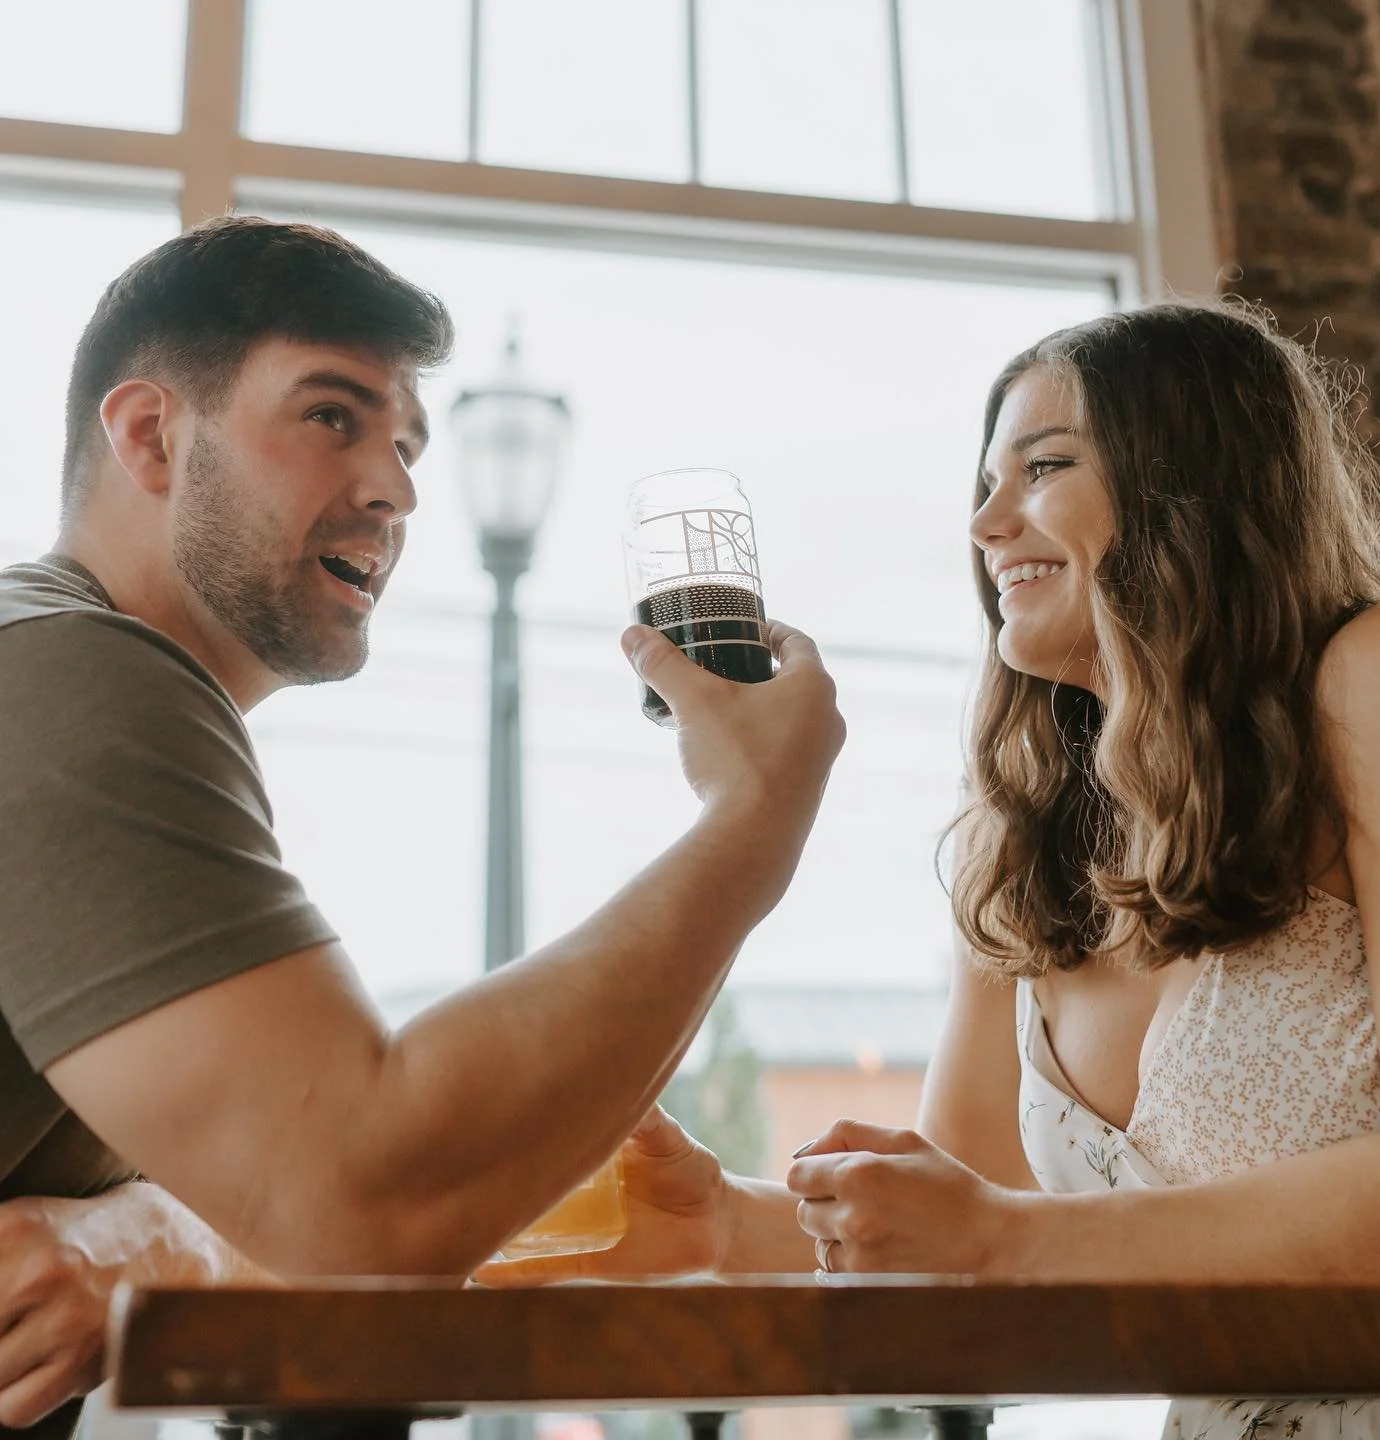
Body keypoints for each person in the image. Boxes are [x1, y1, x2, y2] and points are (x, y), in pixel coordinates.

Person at [481, 301, 1380, 1439]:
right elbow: (960, 1214)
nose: (987, 524)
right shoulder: (1024, 827)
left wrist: (1001, 1237)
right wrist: (724, 1226)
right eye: (986, 484)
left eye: (1042, 468)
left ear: (1195, 481)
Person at [0, 214, 846, 1434]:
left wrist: (152, 1228)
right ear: (149, 435)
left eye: (406, 445)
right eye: (332, 417)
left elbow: (283, 1187)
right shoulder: (71, 678)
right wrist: (755, 820)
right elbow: (365, 1203)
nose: (395, 489)